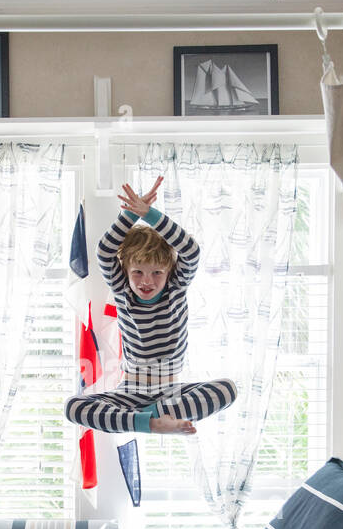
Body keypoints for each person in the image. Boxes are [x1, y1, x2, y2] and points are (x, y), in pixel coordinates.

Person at [64, 176, 237, 436]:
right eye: (138, 272)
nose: (147, 281)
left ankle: (155, 416)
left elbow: (190, 250)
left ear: (169, 271)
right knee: (73, 406)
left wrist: (150, 214)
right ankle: (152, 423)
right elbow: (104, 251)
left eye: (157, 272)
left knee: (227, 389)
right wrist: (130, 216)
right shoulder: (122, 290)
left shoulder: (175, 289)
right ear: (125, 271)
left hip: (170, 394)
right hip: (131, 392)